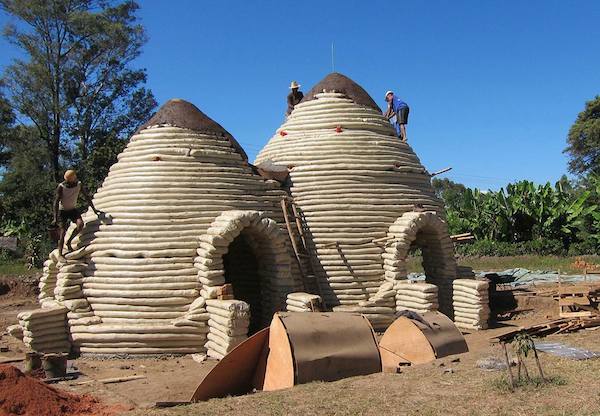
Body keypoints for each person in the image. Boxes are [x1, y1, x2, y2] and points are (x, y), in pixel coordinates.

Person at [52, 170, 99, 255]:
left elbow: (86, 197)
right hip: (62, 211)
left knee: (80, 224)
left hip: (72, 209)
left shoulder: (78, 185)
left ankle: (69, 241)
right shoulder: (61, 187)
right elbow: (56, 202)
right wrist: (55, 218)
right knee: (62, 232)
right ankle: (60, 254)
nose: (68, 183)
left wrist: (94, 209)